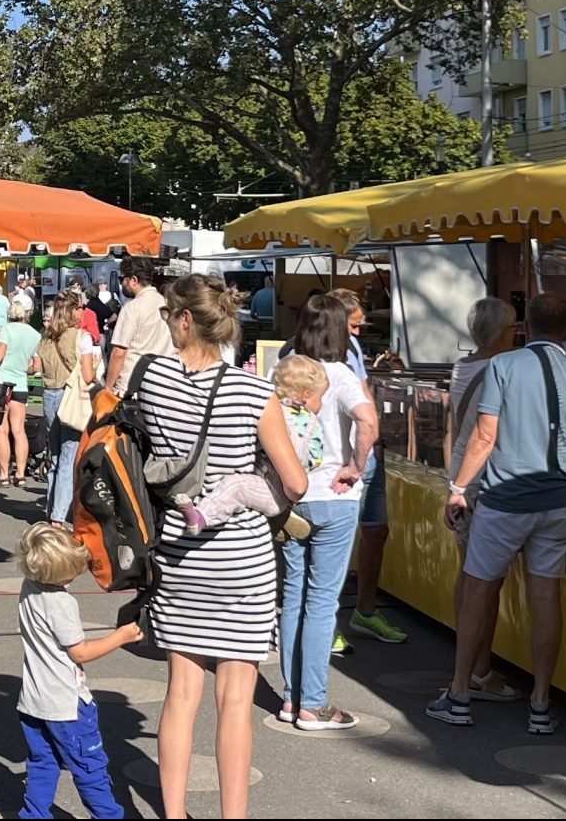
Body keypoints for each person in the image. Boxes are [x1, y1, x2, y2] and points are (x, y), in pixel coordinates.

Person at [138, 274, 308, 818]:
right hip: (242, 562)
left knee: (180, 694)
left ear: (185, 321)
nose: (166, 322)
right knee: (235, 700)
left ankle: (174, 813)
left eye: (168, 314)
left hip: (178, 555)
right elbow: (297, 485)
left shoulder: (152, 379)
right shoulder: (256, 392)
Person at [431, 292, 566, 735]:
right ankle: (541, 702)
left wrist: (458, 489)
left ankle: (460, 692)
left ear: (525, 325)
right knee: (546, 598)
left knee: (479, 590)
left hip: (504, 498)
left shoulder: (503, 367)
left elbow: (485, 438)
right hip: (556, 504)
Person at [272, 293, 377, 730]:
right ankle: (313, 703)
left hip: (293, 496)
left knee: (293, 595)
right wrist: (356, 464)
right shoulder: (341, 375)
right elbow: (369, 422)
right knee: (321, 601)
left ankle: (292, 697)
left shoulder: (287, 371)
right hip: (335, 496)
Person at [14, 522, 136, 821]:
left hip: (33, 701)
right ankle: (108, 816)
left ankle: (33, 814)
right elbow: (80, 651)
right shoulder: (61, 603)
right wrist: (121, 636)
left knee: (42, 764)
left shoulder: (29, 587)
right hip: (66, 705)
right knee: (90, 767)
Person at [443, 297, 526, 704]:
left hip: (462, 475)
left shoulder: (464, 366)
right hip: (482, 480)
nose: (518, 334)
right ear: (498, 334)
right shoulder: (499, 369)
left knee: (469, 577)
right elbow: (489, 434)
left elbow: (455, 428)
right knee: (484, 583)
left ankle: (472, 662)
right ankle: (480, 669)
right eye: (513, 328)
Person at [330, 289, 408, 650]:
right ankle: (325, 620)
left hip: (367, 451)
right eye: (355, 325)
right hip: (339, 457)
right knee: (335, 542)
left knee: (376, 531)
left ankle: (365, 610)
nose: (360, 333)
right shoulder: (314, 352)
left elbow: (364, 397)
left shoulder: (353, 349)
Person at [180, 353, 319, 544]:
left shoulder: (270, 410)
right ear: (306, 393)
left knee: (236, 486)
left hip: (270, 486)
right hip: (283, 488)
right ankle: (278, 516)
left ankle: (202, 517)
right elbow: (316, 457)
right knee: (243, 490)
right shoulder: (311, 422)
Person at [36, 297, 99, 523]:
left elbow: (36, 366)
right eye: (81, 307)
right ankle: (59, 516)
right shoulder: (81, 338)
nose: (84, 311)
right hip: (71, 398)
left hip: (49, 394)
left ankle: (51, 508)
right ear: (73, 310)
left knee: (54, 457)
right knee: (68, 457)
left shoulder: (47, 336)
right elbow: (88, 374)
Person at [0, 294, 41, 491]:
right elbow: (36, 366)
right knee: (19, 431)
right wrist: (22, 367)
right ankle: (20, 474)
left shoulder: (7, 330)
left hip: (2, 383)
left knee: (1, 430)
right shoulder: (34, 334)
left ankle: (3, 475)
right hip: (20, 384)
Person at [103, 256, 171, 395]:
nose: (121, 284)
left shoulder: (132, 308)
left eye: (122, 279)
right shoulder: (166, 303)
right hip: (163, 381)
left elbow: (119, 352)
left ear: (134, 280)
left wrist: (109, 387)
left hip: (133, 384)